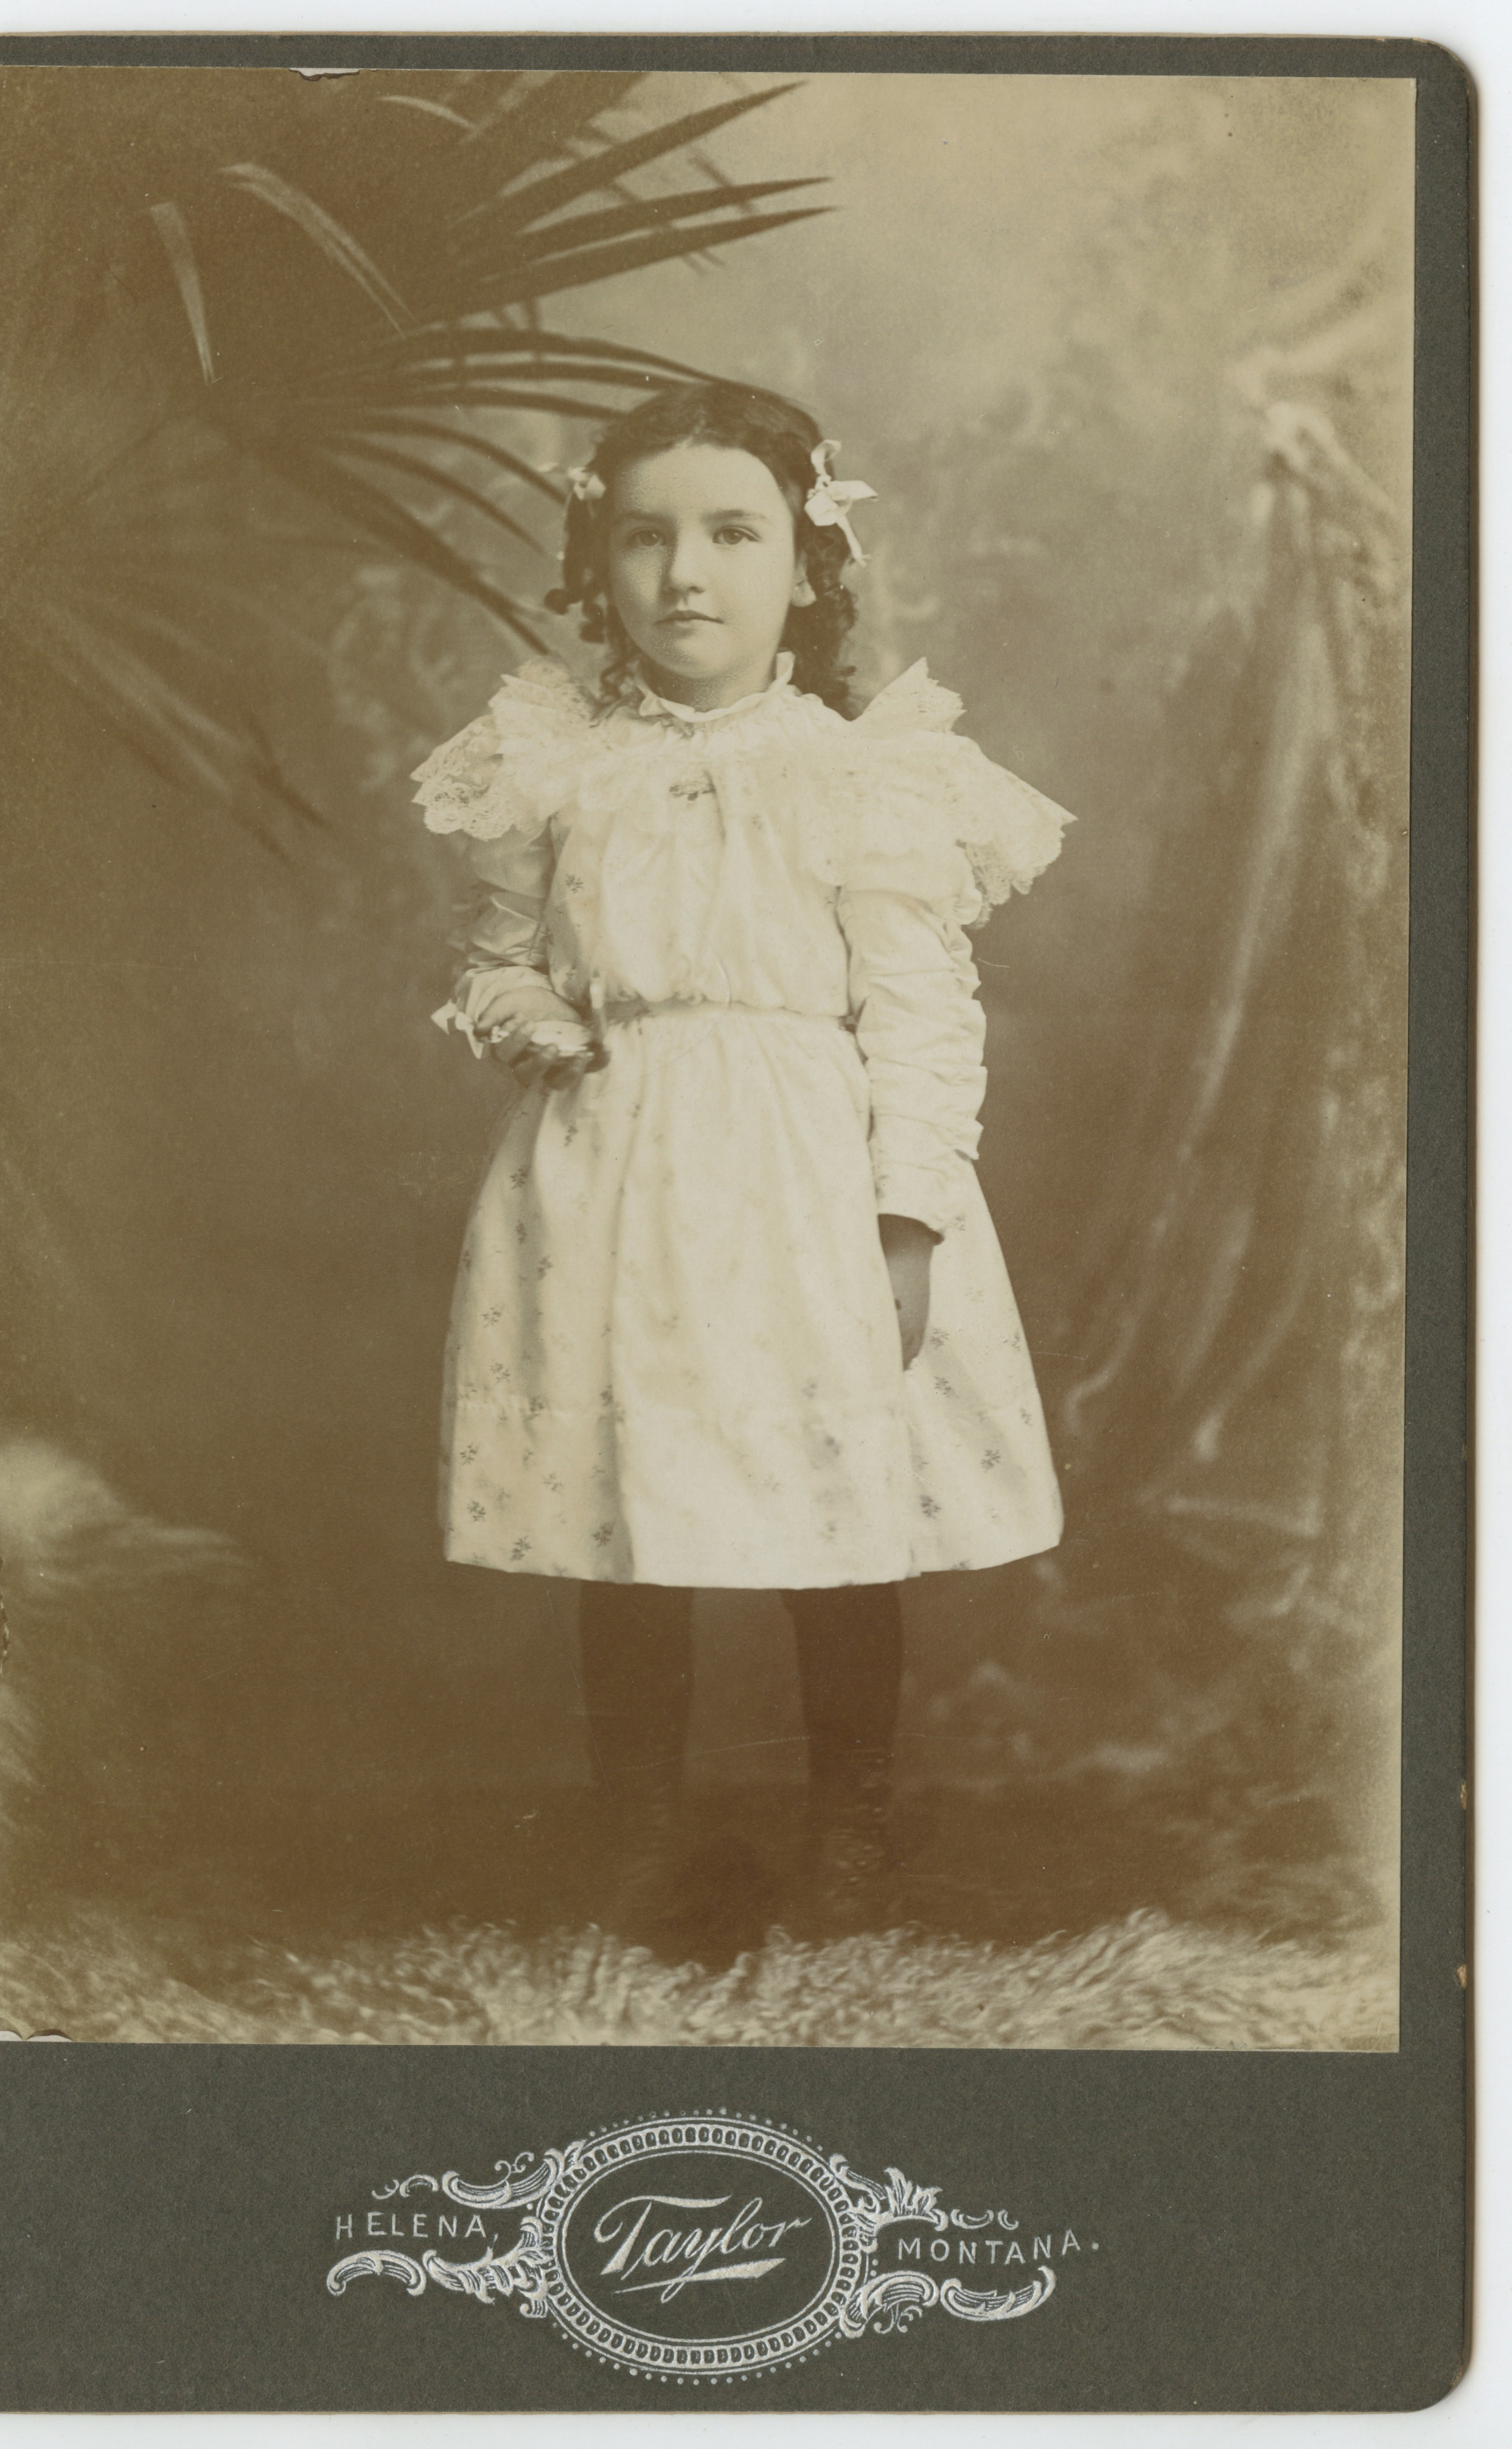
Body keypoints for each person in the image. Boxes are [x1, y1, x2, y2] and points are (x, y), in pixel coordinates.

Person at [413, 381, 1072, 1936]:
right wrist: (534, 1021)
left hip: (802, 1188)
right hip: (612, 1180)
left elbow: (920, 1015)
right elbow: (496, 960)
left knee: (832, 1511)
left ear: (805, 562)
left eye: (731, 534)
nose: (685, 575)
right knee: (624, 1515)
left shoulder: (859, 772)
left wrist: (906, 1220)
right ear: (599, 565)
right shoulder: (555, 765)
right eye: (645, 539)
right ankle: (638, 1839)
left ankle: (849, 1833)